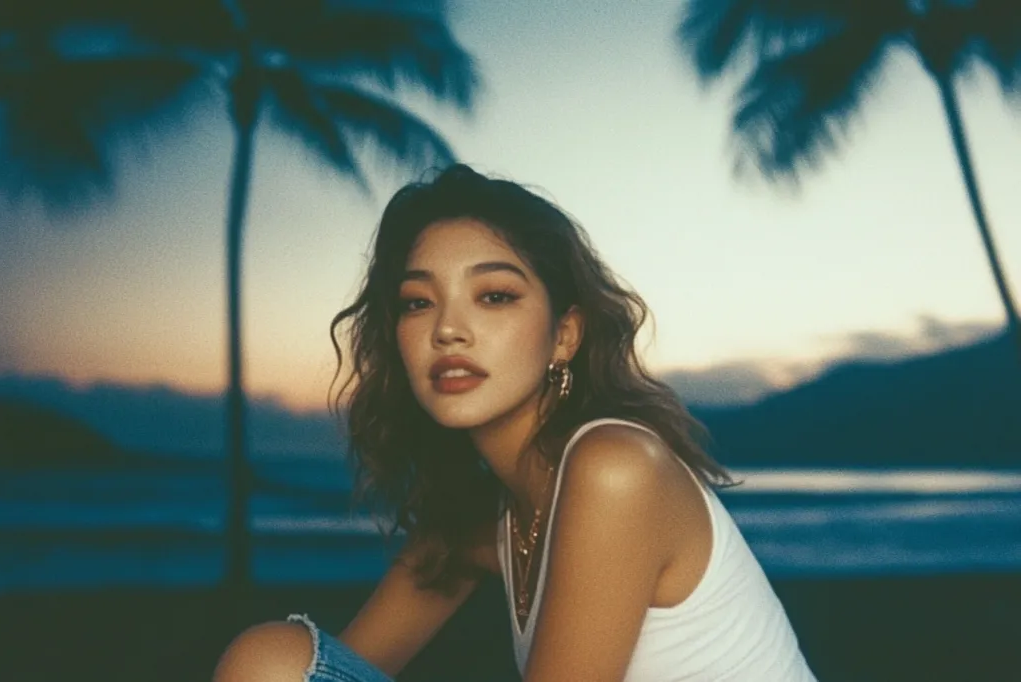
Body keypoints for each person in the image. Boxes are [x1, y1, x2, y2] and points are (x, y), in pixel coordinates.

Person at [214, 165, 818, 682]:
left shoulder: (617, 467)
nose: (447, 329)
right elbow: (344, 660)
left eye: (494, 296)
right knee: (271, 661)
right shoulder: (491, 520)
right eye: (417, 302)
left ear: (564, 334)